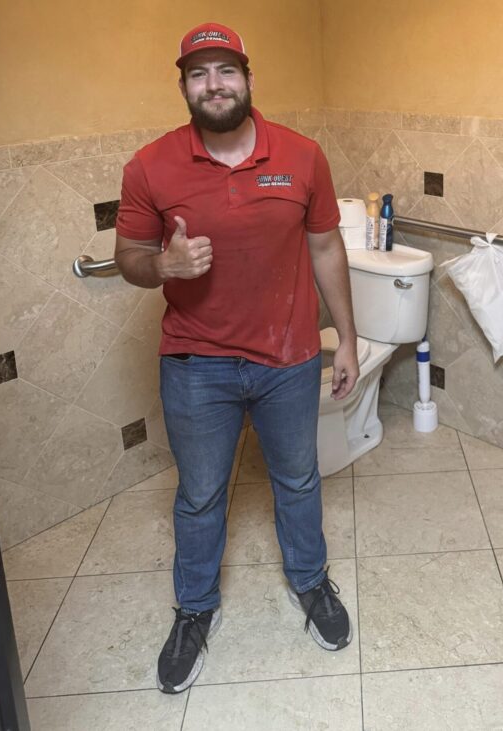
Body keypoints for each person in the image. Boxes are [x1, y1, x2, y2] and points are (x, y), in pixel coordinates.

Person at [113, 21, 359, 694]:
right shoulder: (150, 166)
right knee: (198, 496)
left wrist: (349, 338)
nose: (214, 84)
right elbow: (127, 258)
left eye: (225, 70)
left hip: (288, 358)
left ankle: (311, 584)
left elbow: (327, 248)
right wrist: (162, 262)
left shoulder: (303, 156)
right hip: (197, 365)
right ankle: (195, 609)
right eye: (199, 73)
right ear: (185, 86)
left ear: (249, 78)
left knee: (299, 479)